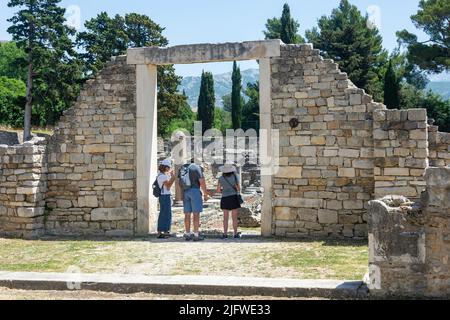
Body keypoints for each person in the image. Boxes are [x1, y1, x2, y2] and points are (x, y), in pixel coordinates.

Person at [180, 159, 209, 241]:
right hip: (195, 190)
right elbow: (202, 182)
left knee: (187, 214)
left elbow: (180, 181)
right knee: (196, 214)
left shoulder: (184, 168)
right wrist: (205, 194)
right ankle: (196, 234)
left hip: (185, 191)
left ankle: (188, 233)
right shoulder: (197, 168)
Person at [215, 163, 242, 239]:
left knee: (225, 218)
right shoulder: (235, 177)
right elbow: (238, 189)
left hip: (225, 198)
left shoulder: (220, 178)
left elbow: (218, 190)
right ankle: (235, 234)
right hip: (233, 197)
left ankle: (225, 234)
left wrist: (224, 190)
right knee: (234, 218)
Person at [156, 159, 176, 239]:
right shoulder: (162, 176)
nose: (169, 169)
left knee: (165, 213)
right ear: (165, 167)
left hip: (164, 196)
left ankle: (164, 231)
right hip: (164, 196)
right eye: (168, 167)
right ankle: (163, 231)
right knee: (165, 214)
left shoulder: (162, 175)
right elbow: (168, 186)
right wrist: (173, 178)